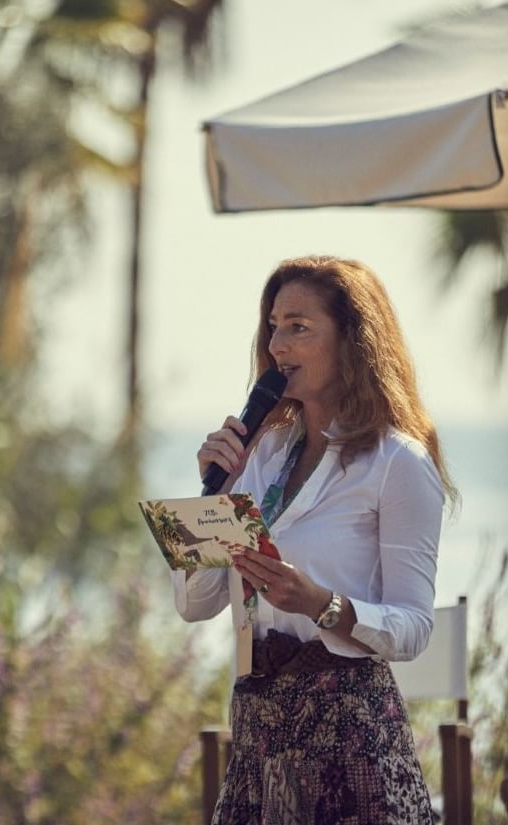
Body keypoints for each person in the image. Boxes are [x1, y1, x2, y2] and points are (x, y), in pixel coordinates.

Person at [173, 255, 457, 825]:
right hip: (260, 736)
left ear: (353, 341)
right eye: (274, 326)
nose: (278, 344)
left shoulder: (396, 461)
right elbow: (194, 603)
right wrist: (214, 496)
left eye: (299, 327)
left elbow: (413, 626)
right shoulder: (264, 456)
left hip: (351, 741)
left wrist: (319, 604)